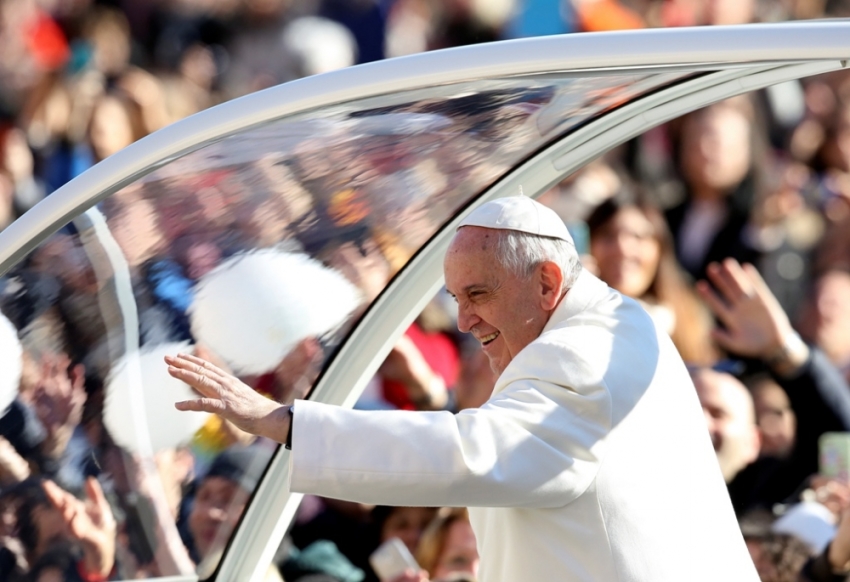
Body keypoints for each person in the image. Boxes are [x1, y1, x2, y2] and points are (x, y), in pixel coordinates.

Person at [166, 196, 758, 581]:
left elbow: (471, 453)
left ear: (547, 282)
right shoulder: (612, 324)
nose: (465, 322)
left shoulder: (582, 353)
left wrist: (288, 423)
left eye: (479, 295)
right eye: (456, 300)